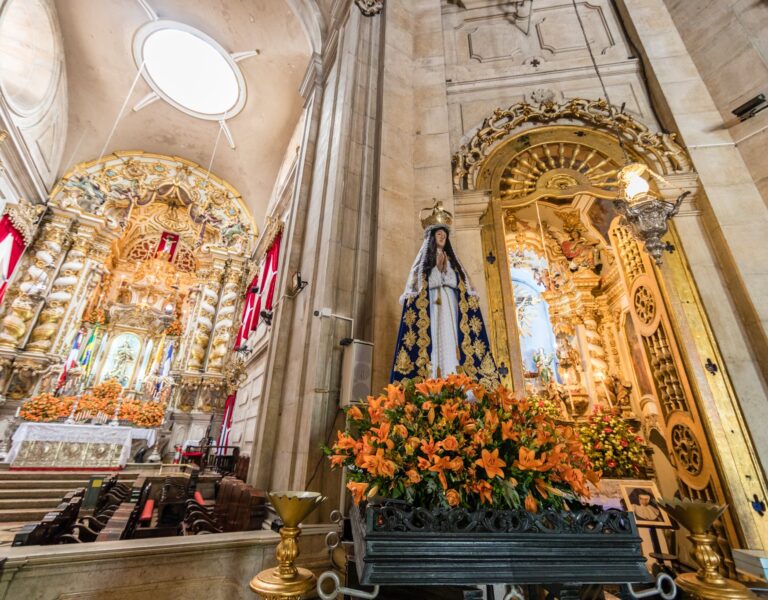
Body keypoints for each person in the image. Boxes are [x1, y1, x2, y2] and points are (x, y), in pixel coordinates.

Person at [390, 201, 500, 389]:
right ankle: (433, 380)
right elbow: (419, 286)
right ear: (432, 237)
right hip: (433, 306)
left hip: (450, 306)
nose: (442, 237)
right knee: (435, 338)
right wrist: (436, 270)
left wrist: (446, 273)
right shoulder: (423, 262)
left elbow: (460, 283)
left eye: (444, 235)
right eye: (439, 234)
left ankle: (456, 381)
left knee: (451, 339)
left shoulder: (453, 260)